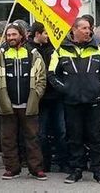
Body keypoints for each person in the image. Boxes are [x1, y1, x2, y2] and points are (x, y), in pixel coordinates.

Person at [48, 17, 100, 184]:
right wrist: (66, 89)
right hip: (72, 102)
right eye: (83, 28)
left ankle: (97, 171)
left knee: (96, 137)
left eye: (89, 28)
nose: (88, 31)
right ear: (73, 30)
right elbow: (51, 75)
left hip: (94, 101)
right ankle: (77, 170)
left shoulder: (98, 49)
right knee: (74, 137)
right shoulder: (60, 51)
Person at [0, 22, 47, 181]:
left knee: (33, 138)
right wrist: (0, 95)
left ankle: (36, 169)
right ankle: (12, 169)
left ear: (21, 35)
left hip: (28, 104)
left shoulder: (33, 53)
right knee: (7, 139)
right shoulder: (0, 54)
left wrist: (36, 95)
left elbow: (41, 79)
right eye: (8, 35)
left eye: (14, 34)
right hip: (7, 104)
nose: (11, 38)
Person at [27, 21, 69, 173]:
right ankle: (45, 163)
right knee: (42, 133)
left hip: (56, 96)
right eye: (45, 33)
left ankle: (64, 162)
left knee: (61, 131)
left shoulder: (55, 49)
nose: (48, 36)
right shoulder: (29, 49)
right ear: (37, 34)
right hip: (40, 98)